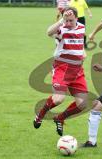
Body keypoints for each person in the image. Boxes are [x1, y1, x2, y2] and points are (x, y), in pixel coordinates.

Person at [33, 7, 88, 136]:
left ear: (76, 19)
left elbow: (80, 42)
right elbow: (48, 32)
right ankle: (41, 114)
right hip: (62, 68)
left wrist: (82, 53)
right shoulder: (61, 29)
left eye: (70, 21)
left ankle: (60, 118)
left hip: (77, 70)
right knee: (58, 99)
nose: (68, 23)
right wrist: (61, 20)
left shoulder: (81, 27)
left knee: (83, 104)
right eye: (66, 20)